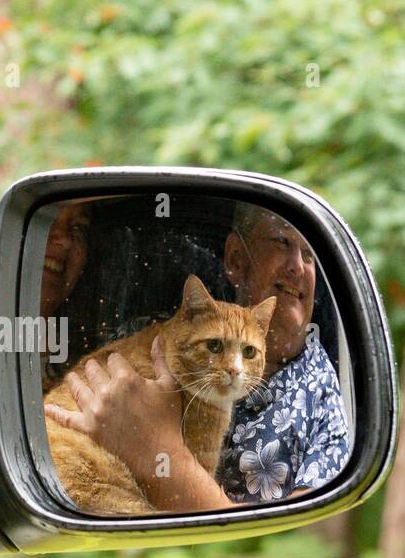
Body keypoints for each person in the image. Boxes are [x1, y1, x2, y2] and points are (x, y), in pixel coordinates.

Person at [45, 204, 350, 511]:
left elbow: (294, 528)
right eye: (282, 243)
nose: (298, 266)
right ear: (235, 259)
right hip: (78, 484)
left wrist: (158, 450)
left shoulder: (322, 389)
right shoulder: (153, 336)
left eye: (310, 254)